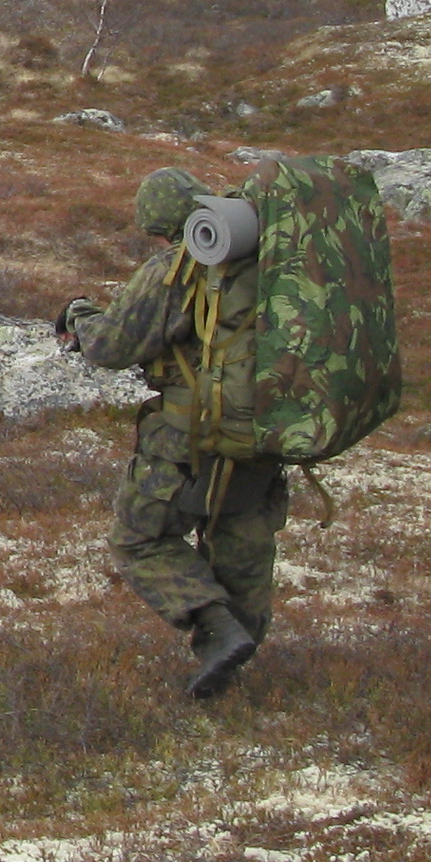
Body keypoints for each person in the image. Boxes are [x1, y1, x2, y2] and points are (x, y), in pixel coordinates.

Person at [59, 166, 284, 700]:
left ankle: (216, 627)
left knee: (139, 540)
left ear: (162, 228)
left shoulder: (177, 267)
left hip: (188, 439)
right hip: (265, 435)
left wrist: (81, 316)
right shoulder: (278, 264)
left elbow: (113, 347)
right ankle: (236, 665)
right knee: (241, 547)